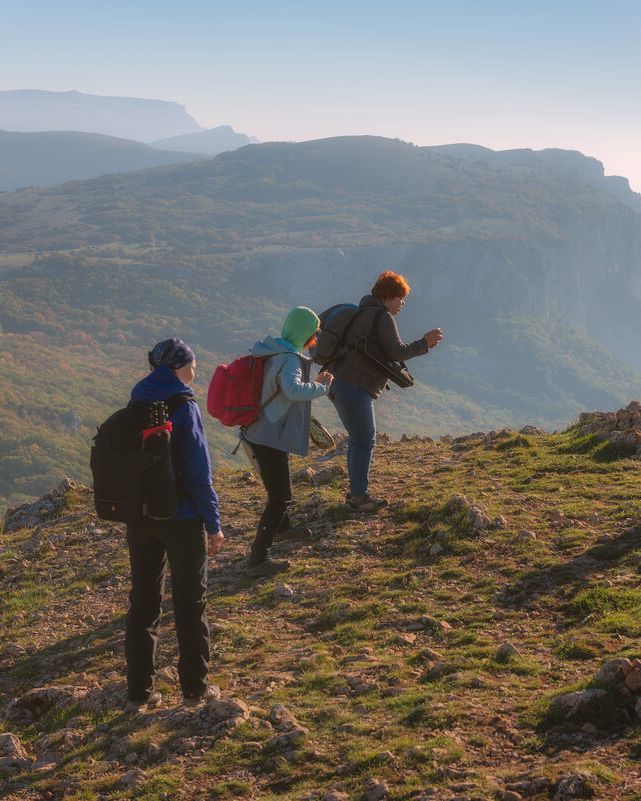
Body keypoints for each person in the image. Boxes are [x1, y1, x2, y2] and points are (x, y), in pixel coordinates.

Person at [124, 338, 224, 712]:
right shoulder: (183, 404)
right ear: (180, 367)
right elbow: (198, 471)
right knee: (189, 603)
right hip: (181, 518)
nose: (196, 371)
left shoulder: (138, 399)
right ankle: (195, 691)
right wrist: (213, 523)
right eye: (193, 365)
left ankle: (138, 694)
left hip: (141, 517)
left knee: (144, 604)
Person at [326, 270, 443, 511]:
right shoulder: (381, 317)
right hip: (353, 385)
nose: (403, 304)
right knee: (364, 439)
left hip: (340, 382)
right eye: (401, 298)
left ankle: (356, 494)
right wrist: (425, 343)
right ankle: (359, 497)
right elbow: (397, 352)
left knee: (359, 440)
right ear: (389, 296)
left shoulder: (364, 312)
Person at [239, 307, 333, 574]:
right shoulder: (289, 358)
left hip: (257, 430)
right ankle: (258, 560)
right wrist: (322, 386)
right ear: (306, 333)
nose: (315, 338)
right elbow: (292, 390)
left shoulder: (269, 350)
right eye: (315, 333)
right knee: (280, 497)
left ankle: (283, 528)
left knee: (277, 490)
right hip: (268, 436)